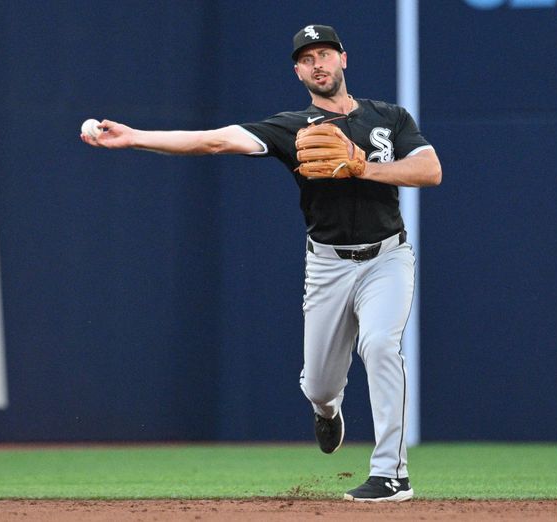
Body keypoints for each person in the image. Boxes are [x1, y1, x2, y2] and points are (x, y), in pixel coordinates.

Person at [80, 24, 441, 502]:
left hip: (387, 258)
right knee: (318, 384)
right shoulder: (292, 127)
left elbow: (430, 170)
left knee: (379, 345)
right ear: (298, 72)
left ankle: (391, 474)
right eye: (307, 58)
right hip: (328, 266)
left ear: (344, 59)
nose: (318, 63)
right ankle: (328, 410)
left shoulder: (388, 117)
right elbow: (213, 141)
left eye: (325, 53)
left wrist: (362, 166)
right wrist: (135, 137)